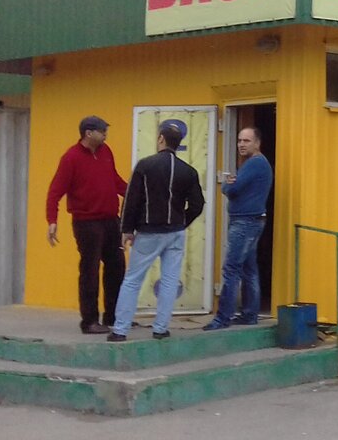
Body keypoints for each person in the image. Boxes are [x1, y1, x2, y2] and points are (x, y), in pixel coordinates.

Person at [108, 121, 205, 341]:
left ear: (161, 139)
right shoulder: (188, 171)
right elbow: (197, 204)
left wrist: (127, 229)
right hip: (176, 233)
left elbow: (131, 199)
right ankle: (160, 329)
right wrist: (182, 221)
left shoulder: (145, 165)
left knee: (132, 280)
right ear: (178, 143)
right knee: (170, 281)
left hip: (149, 231)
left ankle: (120, 330)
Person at [46, 115, 128, 334]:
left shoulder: (106, 151)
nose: (106, 134)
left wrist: (134, 192)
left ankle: (113, 316)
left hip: (111, 219)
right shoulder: (70, 158)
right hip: (86, 222)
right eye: (102, 131)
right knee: (90, 270)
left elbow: (114, 180)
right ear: (88, 133)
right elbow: (55, 191)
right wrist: (52, 221)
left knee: (117, 266)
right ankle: (89, 321)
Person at [204, 126, 272, 330]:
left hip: (245, 222)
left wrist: (227, 184)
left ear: (257, 143)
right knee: (249, 269)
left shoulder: (254, 164)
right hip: (253, 221)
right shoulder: (258, 163)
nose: (241, 144)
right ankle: (249, 314)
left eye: (246, 141)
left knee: (231, 268)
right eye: (240, 140)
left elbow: (231, 189)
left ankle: (223, 317)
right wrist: (231, 184)